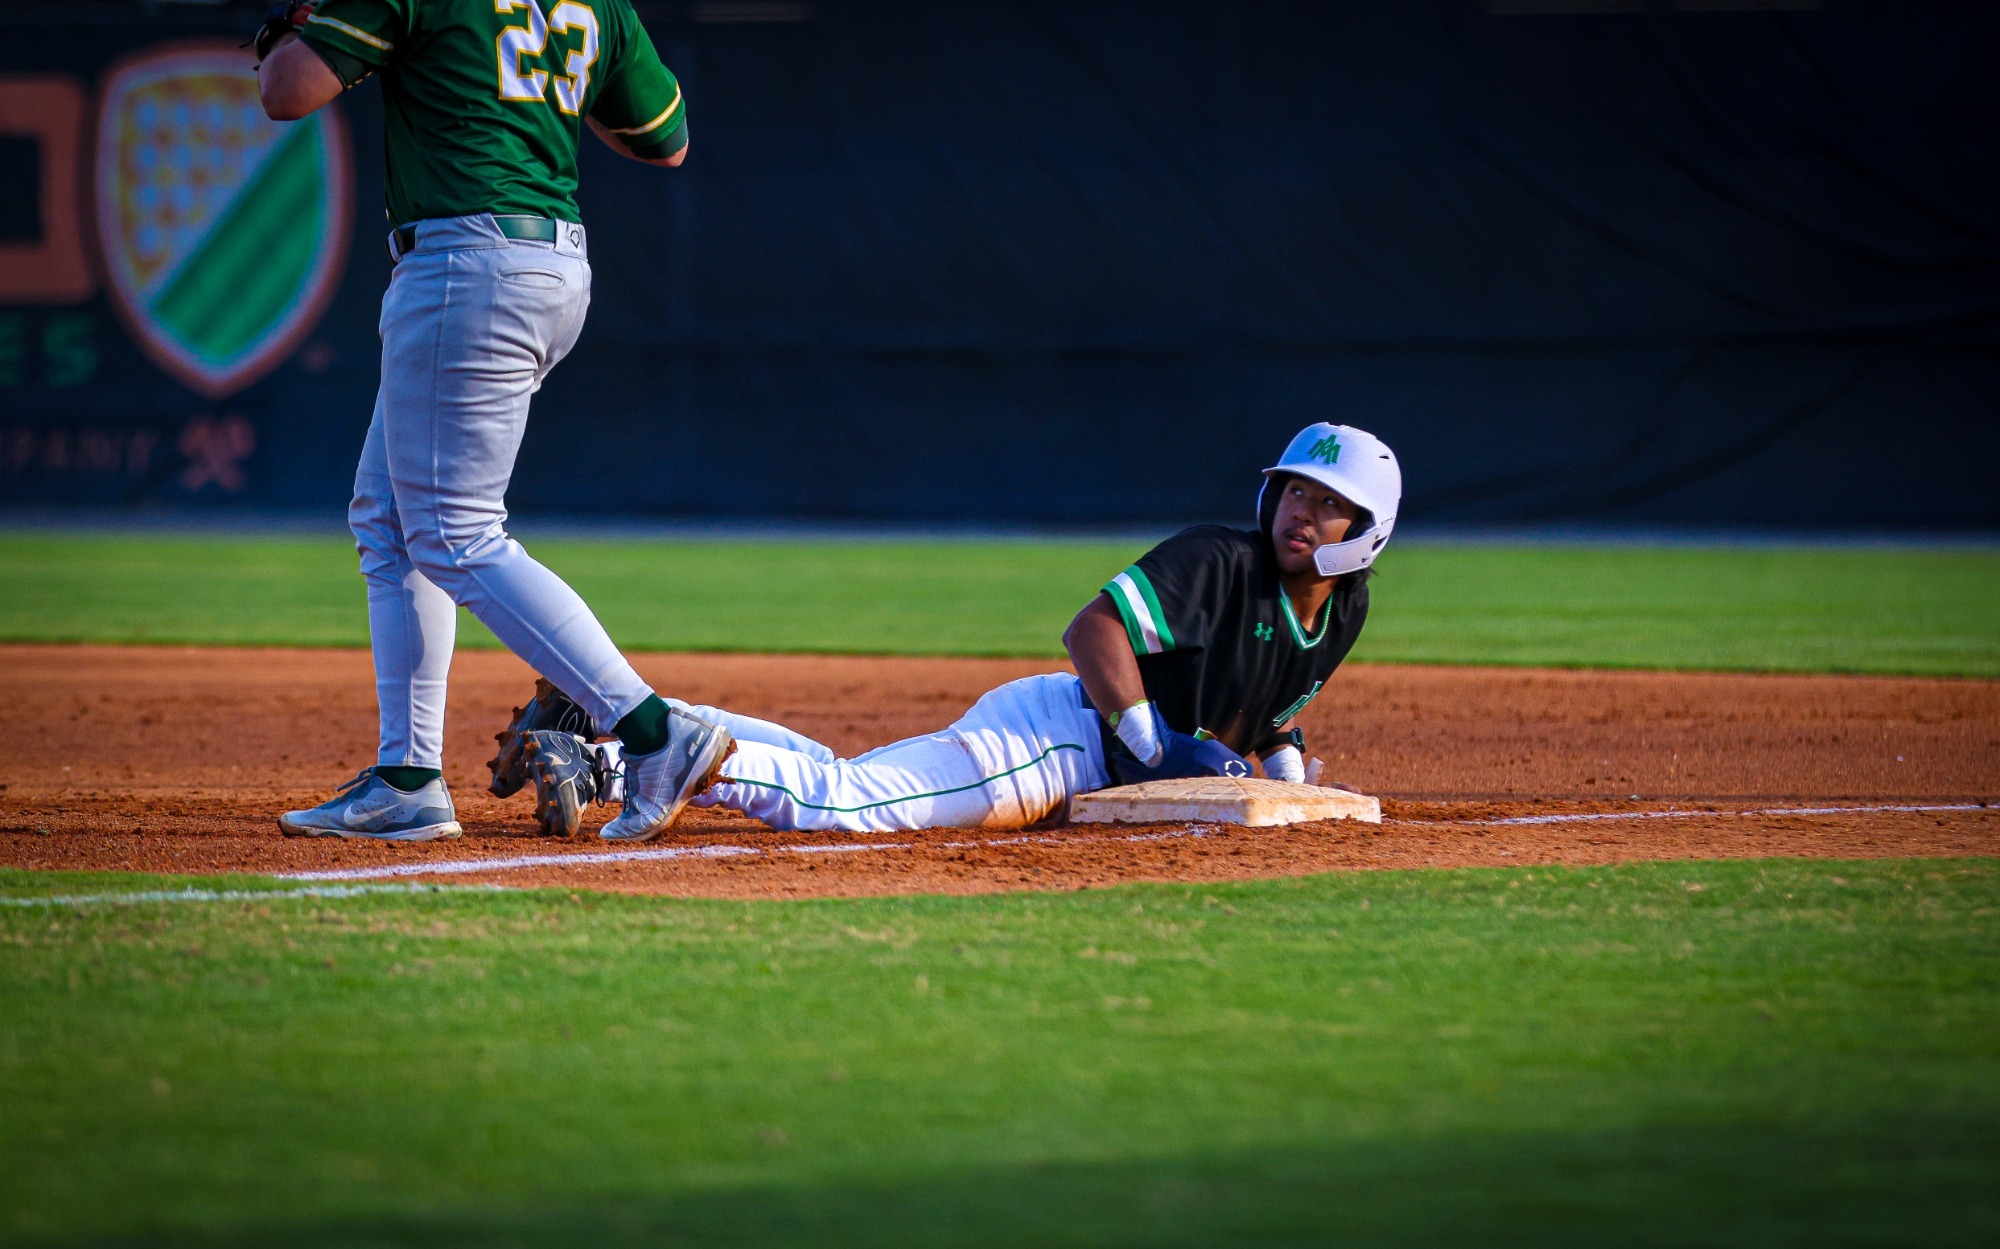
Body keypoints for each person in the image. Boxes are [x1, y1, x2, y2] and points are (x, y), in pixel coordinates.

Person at [253, 0, 732, 843]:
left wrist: (289, 37)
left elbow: (286, 92)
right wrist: (536, 104)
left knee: (455, 532)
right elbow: (666, 138)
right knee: (394, 518)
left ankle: (656, 731)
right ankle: (407, 778)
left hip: (464, 266)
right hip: (549, 261)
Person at [494, 423, 1402, 838]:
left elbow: (1270, 707)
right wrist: (1149, 741)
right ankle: (610, 765)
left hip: (1076, 740)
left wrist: (1282, 777)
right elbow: (1094, 631)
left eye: (1330, 506)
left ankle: (608, 714)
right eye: (1294, 491)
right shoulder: (1223, 559)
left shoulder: (1343, 610)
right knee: (852, 809)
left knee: (846, 777)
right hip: (1063, 740)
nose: (1302, 514)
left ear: (1366, 534)